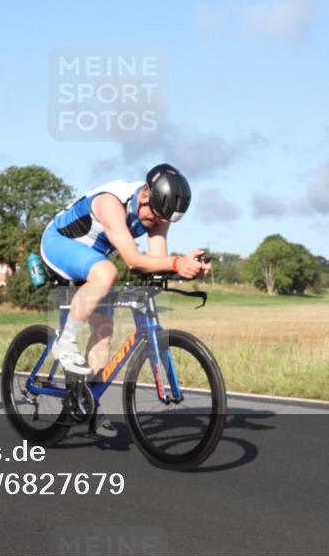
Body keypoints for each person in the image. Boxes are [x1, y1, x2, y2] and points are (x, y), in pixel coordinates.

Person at [39, 163, 211, 436]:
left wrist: (189, 270)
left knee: (103, 332)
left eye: (163, 219)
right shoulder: (111, 202)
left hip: (92, 258)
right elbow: (133, 260)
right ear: (144, 195)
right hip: (59, 243)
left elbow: (155, 263)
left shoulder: (158, 212)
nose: (156, 222)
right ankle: (65, 341)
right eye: (155, 216)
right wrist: (177, 263)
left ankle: (86, 402)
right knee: (108, 272)